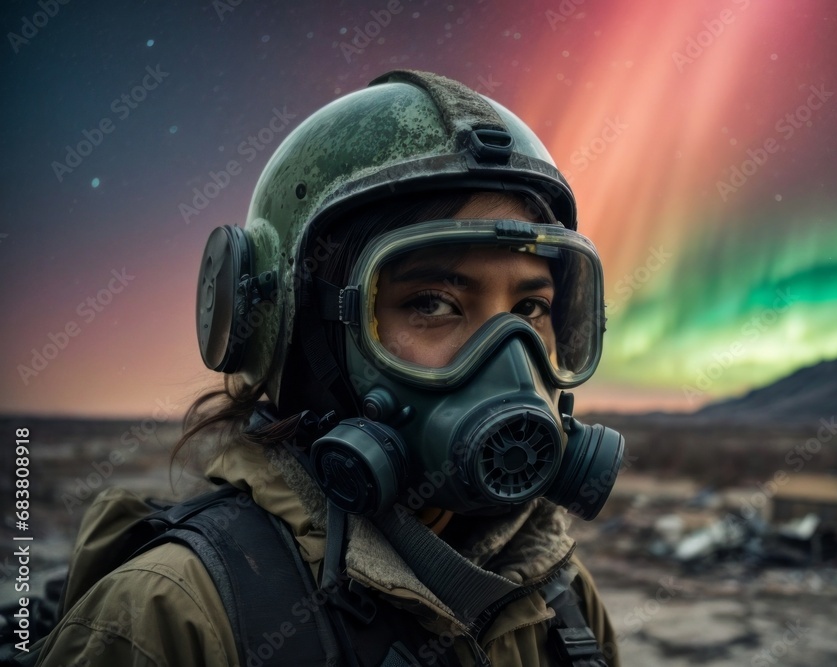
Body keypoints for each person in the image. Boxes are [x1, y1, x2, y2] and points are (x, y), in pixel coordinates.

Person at [32, 70, 625, 666]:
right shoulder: (173, 617)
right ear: (298, 331)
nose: (511, 361)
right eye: (432, 303)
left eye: (531, 308)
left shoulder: (559, 600)